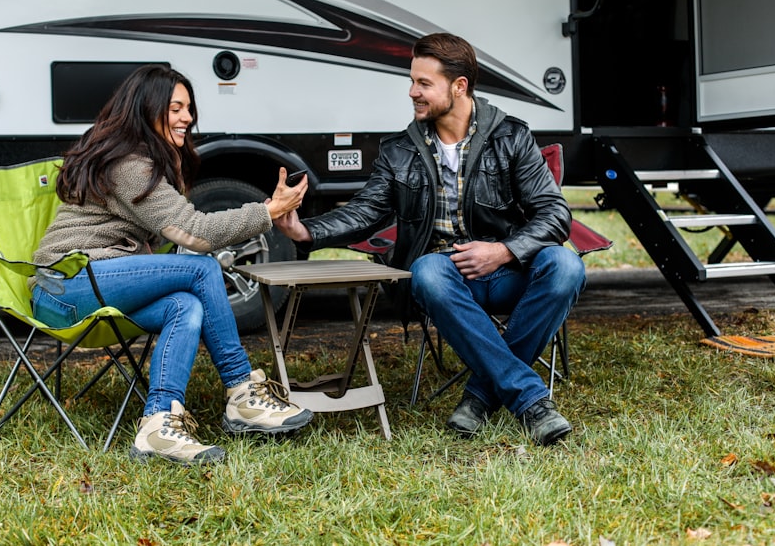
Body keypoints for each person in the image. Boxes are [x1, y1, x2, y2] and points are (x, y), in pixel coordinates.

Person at [276, 33, 586, 446]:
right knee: (427, 269)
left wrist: (503, 251)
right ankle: (531, 400)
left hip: (511, 272)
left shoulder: (510, 137)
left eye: (423, 83)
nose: (412, 92)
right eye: (412, 81)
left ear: (459, 86)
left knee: (566, 265)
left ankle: (481, 395)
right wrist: (306, 230)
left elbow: (555, 213)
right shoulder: (400, 149)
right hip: (446, 282)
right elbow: (367, 209)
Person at [30, 63, 313, 466]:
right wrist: (267, 211)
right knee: (201, 267)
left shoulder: (144, 160)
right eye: (176, 108)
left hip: (94, 283)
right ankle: (241, 391)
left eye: (188, 108)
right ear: (146, 109)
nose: (188, 118)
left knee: (187, 305)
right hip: (64, 286)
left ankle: (158, 425)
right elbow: (194, 233)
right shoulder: (129, 165)